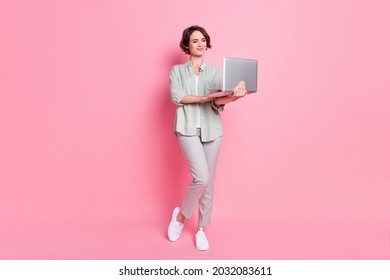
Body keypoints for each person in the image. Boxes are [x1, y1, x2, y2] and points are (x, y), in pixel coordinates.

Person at [168, 25, 247, 250]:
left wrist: (234, 97)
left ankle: (202, 228)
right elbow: (177, 96)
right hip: (187, 129)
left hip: (212, 131)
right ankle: (181, 217)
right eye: (195, 41)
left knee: (209, 182)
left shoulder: (214, 72)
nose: (200, 44)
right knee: (200, 177)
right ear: (187, 45)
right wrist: (204, 98)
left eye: (203, 40)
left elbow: (216, 101)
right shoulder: (177, 71)